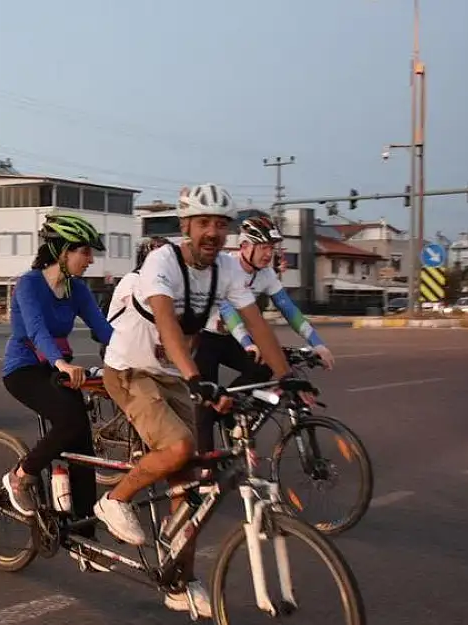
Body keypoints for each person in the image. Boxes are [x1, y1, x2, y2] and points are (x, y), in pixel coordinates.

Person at [99, 183, 304, 617]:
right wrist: (197, 379)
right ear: (186, 225)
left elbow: (257, 324)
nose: (212, 232)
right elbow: (168, 324)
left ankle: (179, 580)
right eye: (203, 223)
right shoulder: (163, 261)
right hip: (129, 369)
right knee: (178, 448)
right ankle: (114, 500)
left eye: (220, 224)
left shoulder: (225, 271)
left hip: (170, 374)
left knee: (190, 488)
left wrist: (287, 379)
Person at [0, 213, 112, 564]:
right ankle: (20, 475)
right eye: (84, 252)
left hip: (59, 370)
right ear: (62, 251)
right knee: (71, 423)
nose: (90, 259)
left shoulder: (78, 289)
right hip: (25, 369)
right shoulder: (30, 284)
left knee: (83, 446)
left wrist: (137, 354)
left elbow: (103, 329)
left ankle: (84, 537)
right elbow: (35, 330)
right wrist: (60, 362)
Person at [195, 215, 335, 451]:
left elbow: (289, 310)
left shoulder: (266, 274)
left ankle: (234, 409)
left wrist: (317, 343)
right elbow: (227, 309)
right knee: (206, 405)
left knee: (267, 366)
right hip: (207, 338)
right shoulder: (227, 267)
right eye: (263, 247)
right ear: (245, 246)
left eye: (271, 248)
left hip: (233, 340)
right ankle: (207, 470)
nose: (268, 254)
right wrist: (248, 342)